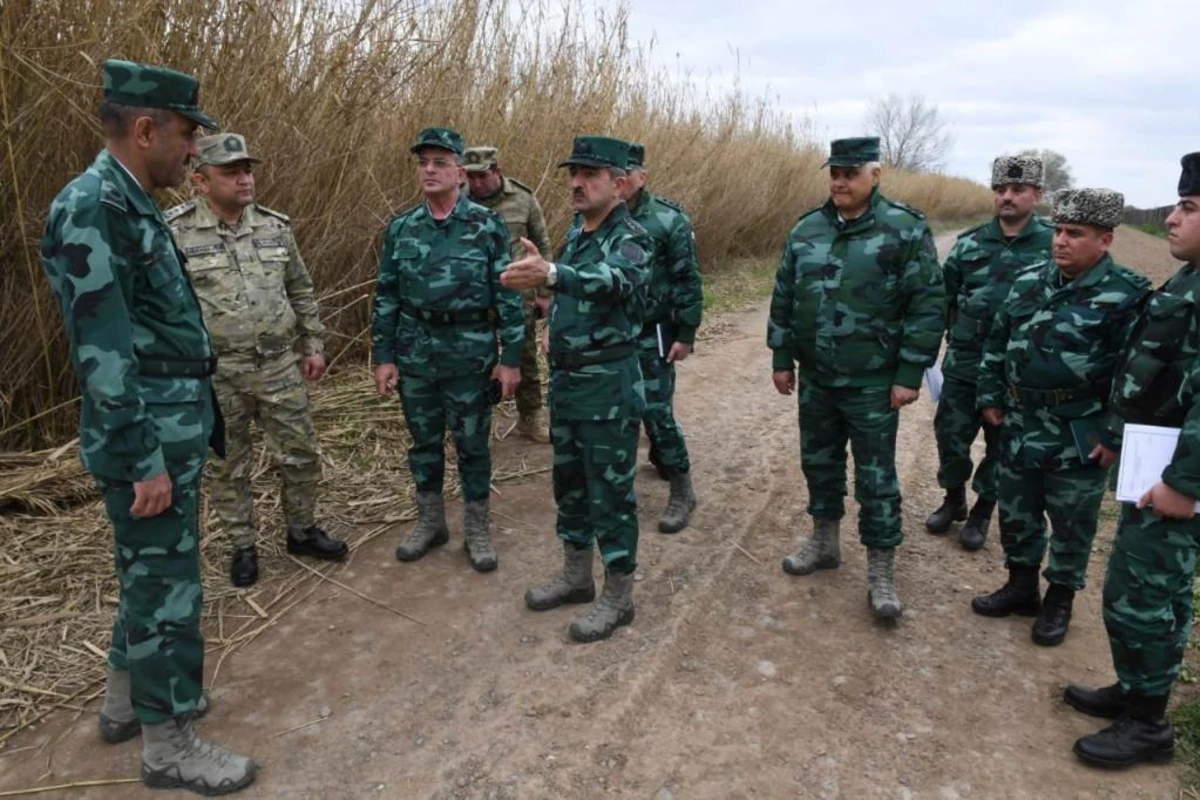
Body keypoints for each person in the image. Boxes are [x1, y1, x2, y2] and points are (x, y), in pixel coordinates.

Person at [39, 59, 257, 794]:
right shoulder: (94, 207)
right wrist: (143, 460)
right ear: (145, 128)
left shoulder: (128, 203)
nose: (195, 149)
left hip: (170, 424)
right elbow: (102, 355)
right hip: (148, 437)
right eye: (188, 134)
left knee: (149, 573)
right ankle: (170, 745)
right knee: (168, 588)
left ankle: (123, 703)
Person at [768, 137, 945, 620]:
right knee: (819, 464)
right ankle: (824, 543)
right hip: (818, 379)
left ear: (876, 175)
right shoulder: (808, 228)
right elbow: (784, 295)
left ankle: (881, 571)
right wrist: (782, 356)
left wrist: (910, 373)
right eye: (835, 173)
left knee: (875, 477)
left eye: (850, 173)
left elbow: (927, 305)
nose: (840, 182)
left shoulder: (904, 229)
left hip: (872, 381)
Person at [1065, 154, 1200, 769]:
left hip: (1176, 477)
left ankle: (1148, 726)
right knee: (1153, 592)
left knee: (1138, 593)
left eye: (1188, 209)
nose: (1171, 219)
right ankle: (1138, 692)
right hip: (1156, 459)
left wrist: (1185, 483)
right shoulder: (1190, 278)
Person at [972, 188, 1150, 646]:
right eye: (1058, 231)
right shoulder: (1030, 279)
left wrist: (1115, 432)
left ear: (1105, 240)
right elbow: (998, 339)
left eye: (1076, 233)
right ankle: (1021, 585)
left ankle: (1060, 598)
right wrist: (991, 392)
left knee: (1072, 521)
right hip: (1020, 421)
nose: (1061, 241)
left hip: (1078, 430)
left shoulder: (1127, 295)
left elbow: (1136, 373)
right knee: (1017, 510)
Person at [167, 133, 346, 587]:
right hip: (218, 374)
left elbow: (300, 289)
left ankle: (302, 531)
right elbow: (166, 309)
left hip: (278, 366)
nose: (245, 179)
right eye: (231, 171)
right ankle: (242, 545)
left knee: (301, 453)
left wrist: (314, 345)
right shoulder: (177, 232)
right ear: (201, 181)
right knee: (230, 465)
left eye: (247, 169)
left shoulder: (274, 227)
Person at [502, 135, 651, 642]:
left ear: (617, 181)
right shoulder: (578, 233)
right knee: (569, 487)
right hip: (568, 385)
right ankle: (576, 575)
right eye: (573, 173)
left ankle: (619, 596)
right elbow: (571, 286)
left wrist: (554, 272)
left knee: (609, 493)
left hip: (608, 388)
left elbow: (615, 281)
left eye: (589, 174)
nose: (576, 182)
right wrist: (547, 299)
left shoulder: (631, 236)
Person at [371, 127, 524, 572]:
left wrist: (510, 359)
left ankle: (476, 528)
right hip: (416, 352)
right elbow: (387, 296)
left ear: (460, 172)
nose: (430, 170)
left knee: (472, 445)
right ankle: (430, 522)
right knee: (424, 444)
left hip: (469, 354)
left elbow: (508, 295)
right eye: (423, 163)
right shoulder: (402, 228)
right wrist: (384, 356)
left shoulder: (486, 225)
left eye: (440, 162)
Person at [926, 155, 1054, 550]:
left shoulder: (1053, 244)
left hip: (1016, 371)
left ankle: (983, 510)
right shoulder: (969, 244)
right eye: (1001, 190)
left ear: (1037, 194)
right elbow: (942, 301)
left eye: (1018, 190)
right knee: (951, 436)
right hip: (965, 362)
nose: (1008, 197)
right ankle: (954, 500)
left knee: (1002, 445)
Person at [620, 142, 704, 533]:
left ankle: (682, 489)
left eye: (627, 172)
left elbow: (688, 279)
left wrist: (685, 332)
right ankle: (617, 492)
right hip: (610, 333)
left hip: (652, 331)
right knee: (616, 412)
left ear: (642, 176)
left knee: (656, 412)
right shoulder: (596, 217)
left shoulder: (667, 220)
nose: (619, 180)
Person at [463, 146, 554, 443]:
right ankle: (477, 425)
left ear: (497, 172)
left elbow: (542, 242)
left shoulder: (523, 199)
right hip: (473, 295)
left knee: (524, 356)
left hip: (517, 293)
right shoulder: (459, 199)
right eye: (471, 177)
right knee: (475, 358)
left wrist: (544, 293)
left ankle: (530, 417)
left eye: (483, 176)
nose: (477, 183)